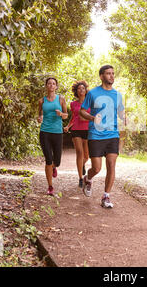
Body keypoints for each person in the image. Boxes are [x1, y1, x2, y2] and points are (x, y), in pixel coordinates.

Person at [79, 65, 125, 208]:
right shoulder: (92, 93)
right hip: (96, 134)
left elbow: (121, 112)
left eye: (113, 73)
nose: (111, 76)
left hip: (112, 134)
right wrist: (92, 118)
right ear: (101, 76)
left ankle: (106, 197)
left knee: (111, 165)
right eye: (108, 73)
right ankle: (88, 178)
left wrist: (125, 118)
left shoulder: (118, 95)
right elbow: (82, 111)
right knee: (97, 168)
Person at [38, 77, 68, 196]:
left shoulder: (61, 99)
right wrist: (39, 118)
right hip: (45, 131)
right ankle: (50, 186)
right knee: (48, 159)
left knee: (58, 161)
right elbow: (40, 114)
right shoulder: (42, 101)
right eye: (49, 83)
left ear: (56, 86)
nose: (51, 85)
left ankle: (54, 167)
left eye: (53, 84)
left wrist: (61, 114)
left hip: (57, 132)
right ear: (46, 86)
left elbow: (66, 115)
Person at [64, 80, 90, 188]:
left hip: (88, 130)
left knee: (86, 156)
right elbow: (73, 117)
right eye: (79, 88)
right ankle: (80, 178)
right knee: (79, 152)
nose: (81, 90)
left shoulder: (90, 103)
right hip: (76, 130)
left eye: (83, 88)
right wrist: (68, 126)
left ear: (85, 90)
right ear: (76, 91)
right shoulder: (73, 104)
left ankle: (82, 164)